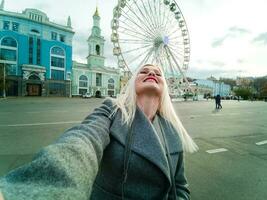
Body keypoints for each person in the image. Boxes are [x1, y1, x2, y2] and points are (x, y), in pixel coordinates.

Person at [0, 64, 198, 200]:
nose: (151, 72)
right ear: (132, 84)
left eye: (158, 72)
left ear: (164, 87)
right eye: (143, 71)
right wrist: (35, 188)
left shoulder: (173, 130)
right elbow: (82, 142)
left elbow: (180, 187)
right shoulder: (112, 111)